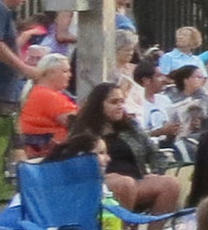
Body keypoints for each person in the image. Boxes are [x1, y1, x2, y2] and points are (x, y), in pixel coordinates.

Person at [49, 81, 184, 218]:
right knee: (124, 184)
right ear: (99, 105)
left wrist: (156, 172)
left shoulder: (131, 127)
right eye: (114, 102)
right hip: (102, 183)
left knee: (170, 184)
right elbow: (74, 162)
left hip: (135, 179)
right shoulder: (84, 131)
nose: (120, 106)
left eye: (122, 102)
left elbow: (154, 152)